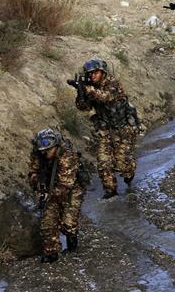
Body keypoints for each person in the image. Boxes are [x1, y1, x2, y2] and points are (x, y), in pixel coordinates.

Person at [71, 57, 139, 199]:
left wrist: (87, 89)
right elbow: (84, 107)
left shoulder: (112, 83)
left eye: (95, 72)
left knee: (123, 164)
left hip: (124, 128)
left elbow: (105, 97)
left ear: (102, 72)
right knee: (103, 162)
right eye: (90, 74)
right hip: (106, 131)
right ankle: (110, 190)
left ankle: (129, 172)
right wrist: (81, 93)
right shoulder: (91, 87)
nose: (92, 76)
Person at [28, 128, 88, 263]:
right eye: (41, 150)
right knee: (47, 222)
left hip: (72, 188)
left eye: (47, 150)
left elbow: (65, 184)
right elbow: (33, 173)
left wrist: (50, 194)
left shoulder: (67, 155)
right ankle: (51, 253)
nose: (44, 153)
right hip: (49, 188)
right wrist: (40, 188)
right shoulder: (38, 154)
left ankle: (72, 240)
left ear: (55, 146)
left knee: (68, 224)